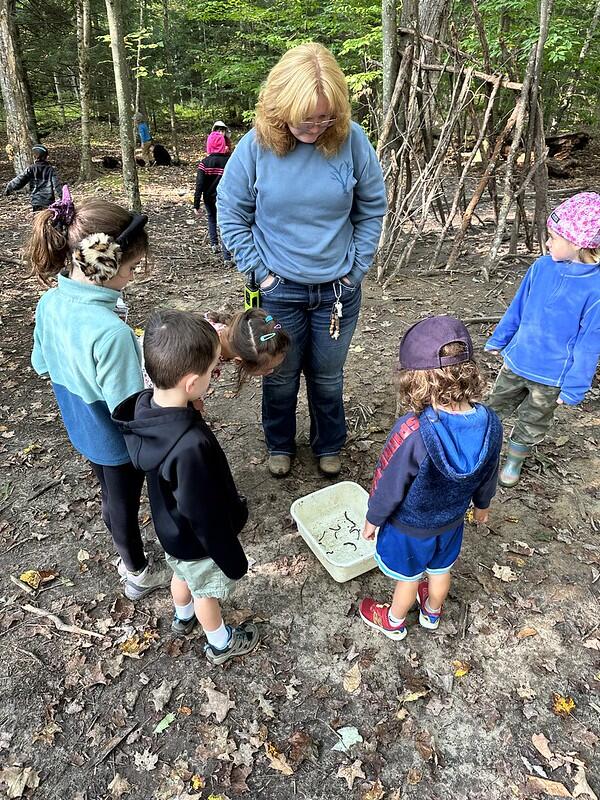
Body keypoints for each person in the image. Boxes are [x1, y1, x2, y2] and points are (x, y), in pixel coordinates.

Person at [217, 43, 387, 479]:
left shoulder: (352, 141)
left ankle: (328, 443)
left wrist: (356, 270)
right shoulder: (256, 146)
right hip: (277, 293)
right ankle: (280, 443)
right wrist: (260, 272)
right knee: (279, 374)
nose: (317, 126)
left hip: (337, 293)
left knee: (328, 377)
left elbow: (371, 208)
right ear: (281, 105)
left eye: (327, 116)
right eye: (307, 117)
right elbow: (230, 211)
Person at [30, 186, 169, 600]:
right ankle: (137, 570)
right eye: (131, 267)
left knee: (110, 496)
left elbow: (42, 363)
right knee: (123, 503)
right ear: (103, 262)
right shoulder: (110, 333)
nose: (132, 276)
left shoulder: (50, 302)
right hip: (115, 441)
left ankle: (125, 554)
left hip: (80, 425)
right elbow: (129, 408)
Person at [113, 310, 260, 666]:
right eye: (212, 371)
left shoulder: (146, 412)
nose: (214, 375)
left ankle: (182, 617)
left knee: (181, 572)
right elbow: (203, 512)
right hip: (195, 539)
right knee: (205, 591)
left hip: (169, 529)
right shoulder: (189, 445)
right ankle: (220, 641)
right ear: (192, 382)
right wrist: (232, 558)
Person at [359, 316, 502, 640]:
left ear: (417, 380)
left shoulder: (413, 432)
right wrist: (482, 504)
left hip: (410, 527)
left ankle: (394, 620)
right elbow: (489, 469)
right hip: (450, 521)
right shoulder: (491, 423)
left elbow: (391, 484)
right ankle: (431, 613)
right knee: (440, 571)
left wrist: (373, 517)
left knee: (408, 578)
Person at [485, 192, 600, 487]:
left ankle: (514, 459)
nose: (547, 243)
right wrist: (500, 339)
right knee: (494, 406)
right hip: (517, 360)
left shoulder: (595, 289)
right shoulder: (541, 267)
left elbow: (590, 344)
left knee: (533, 419)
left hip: (551, 376)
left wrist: (575, 387)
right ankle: (484, 451)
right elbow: (518, 306)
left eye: (554, 237)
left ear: (579, 244)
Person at [194, 132, 233, 265]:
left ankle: (214, 244)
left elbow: (199, 184)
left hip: (208, 198)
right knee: (224, 224)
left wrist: (196, 204)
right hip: (225, 199)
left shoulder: (204, 163)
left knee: (212, 219)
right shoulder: (229, 161)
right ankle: (227, 257)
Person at [4, 144, 62, 212]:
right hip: (48, 202)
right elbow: (57, 185)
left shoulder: (31, 169)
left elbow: (19, 180)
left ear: (34, 157)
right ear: (46, 157)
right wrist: (62, 197)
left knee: (37, 220)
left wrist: (8, 188)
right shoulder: (50, 169)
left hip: (36, 202)